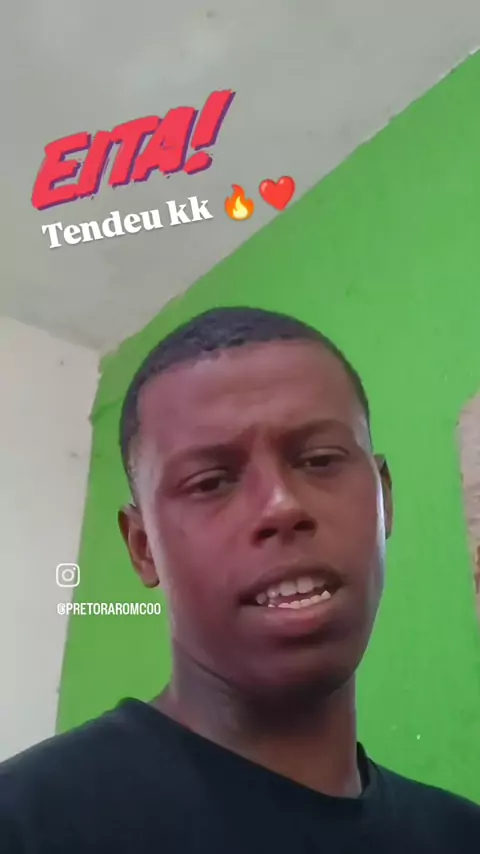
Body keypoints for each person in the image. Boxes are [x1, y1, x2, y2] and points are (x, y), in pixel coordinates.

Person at [1, 306, 479, 853]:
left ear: (383, 499)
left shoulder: (461, 835)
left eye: (320, 459)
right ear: (143, 548)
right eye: (210, 482)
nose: (281, 505)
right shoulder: (24, 825)